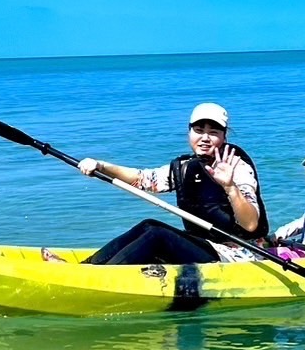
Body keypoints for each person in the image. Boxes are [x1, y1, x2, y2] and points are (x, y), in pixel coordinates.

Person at [76, 103, 270, 265]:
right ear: (189, 132)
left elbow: (251, 223)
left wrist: (229, 186)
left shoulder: (237, 166)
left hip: (240, 254)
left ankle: (96, 276)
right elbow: (142, 178)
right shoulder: (186, 166)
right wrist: (101, 165)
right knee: (148, 225)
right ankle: (86, 266)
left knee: (157, 235)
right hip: (204, 245)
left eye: (213, 132)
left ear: (224, 136)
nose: (204, 138)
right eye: (199, 130)